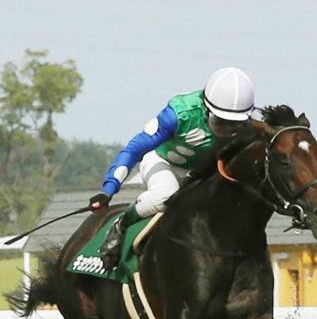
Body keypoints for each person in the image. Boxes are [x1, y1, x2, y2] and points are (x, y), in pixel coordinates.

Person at [88, 67, 256, 269]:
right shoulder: (179, 114)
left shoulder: (249, 126)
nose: (226, 132)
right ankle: (121, 224)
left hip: (198, 173)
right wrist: (108, 190)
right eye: (220, 122)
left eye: (234, 125)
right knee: (166, 195)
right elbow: (134, 150)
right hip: (161, 161)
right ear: (205, 108)